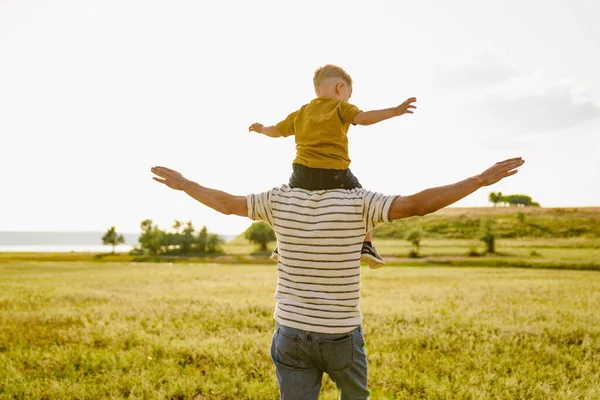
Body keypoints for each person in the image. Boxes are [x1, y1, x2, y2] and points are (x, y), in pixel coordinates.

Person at [151, 156, 524, 400]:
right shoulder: (358, 200)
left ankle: (340, 244)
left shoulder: (279, 199)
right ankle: (365, 243)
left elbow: (227, 204)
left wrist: (185, 184)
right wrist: (478, 179)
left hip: (291, 332)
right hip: (340, 333)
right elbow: (418, 205)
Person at [249, 64, 417, 269]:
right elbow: (363, 119)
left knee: (287, 201)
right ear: (340, 88)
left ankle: (281, 244)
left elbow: (275, 130)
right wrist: (395, 111)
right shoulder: (340, 107)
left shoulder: (301, 113)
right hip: (334, 173)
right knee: (361, 196)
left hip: (301, 174)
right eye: (348, 95)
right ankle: (367, 245)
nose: (348, 101)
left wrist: (260, 129)